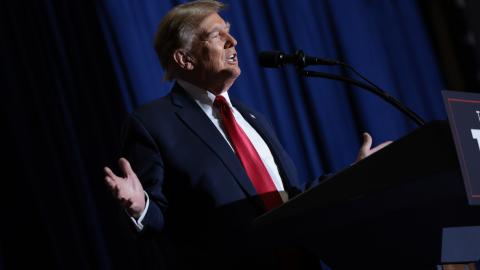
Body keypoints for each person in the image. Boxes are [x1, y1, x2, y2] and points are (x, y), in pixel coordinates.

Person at [103, 1, 390, 269]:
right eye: (218, 35)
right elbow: (157, 216)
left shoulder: (252, 117)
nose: (233, 42)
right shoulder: (153, 123)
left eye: (230, 32)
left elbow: (289, 199)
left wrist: (355, 174)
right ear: (185, 58)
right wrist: (140, 207)